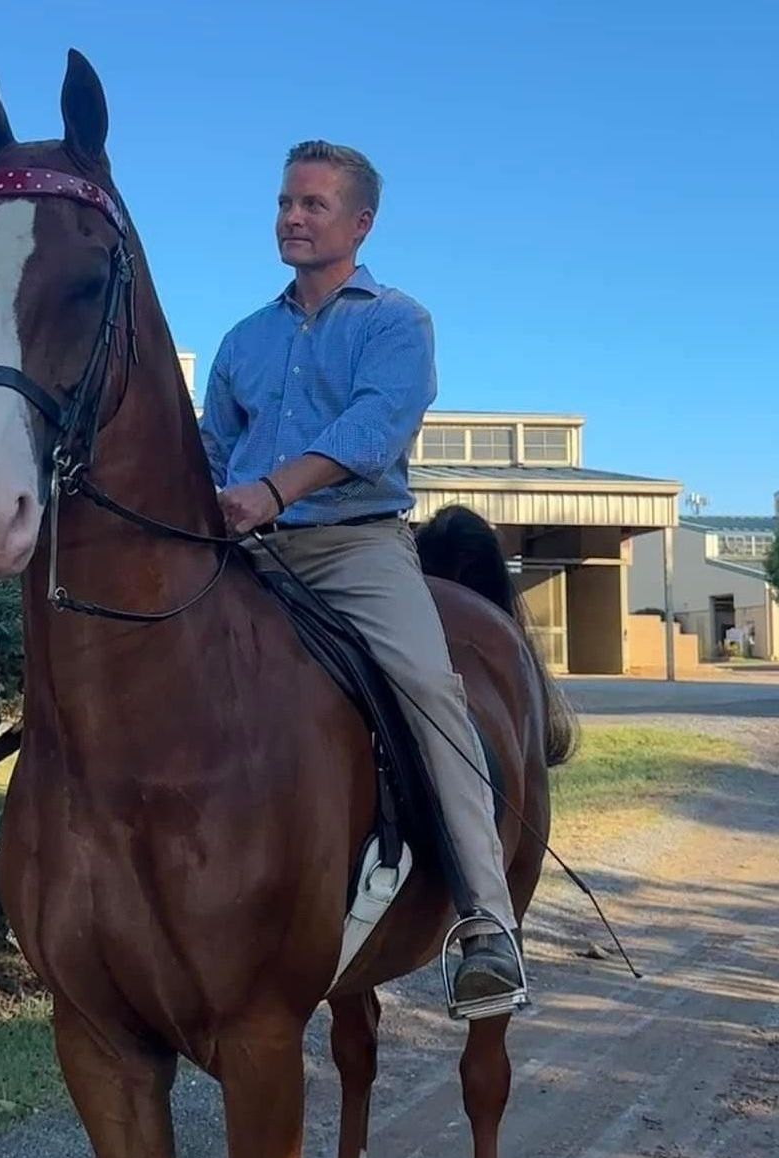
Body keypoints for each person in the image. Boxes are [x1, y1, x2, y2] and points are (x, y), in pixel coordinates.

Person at [200, 139, 523, 1010]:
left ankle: (486, 925)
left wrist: (270, 490)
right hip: (247, 555)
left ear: (360, 223)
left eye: (312, 205)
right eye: (284, 203)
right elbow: (209, 451)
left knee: (429, 692)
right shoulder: (243, 339)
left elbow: (374, 431)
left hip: (355, 547)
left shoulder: (395, 322)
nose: (292, 218)